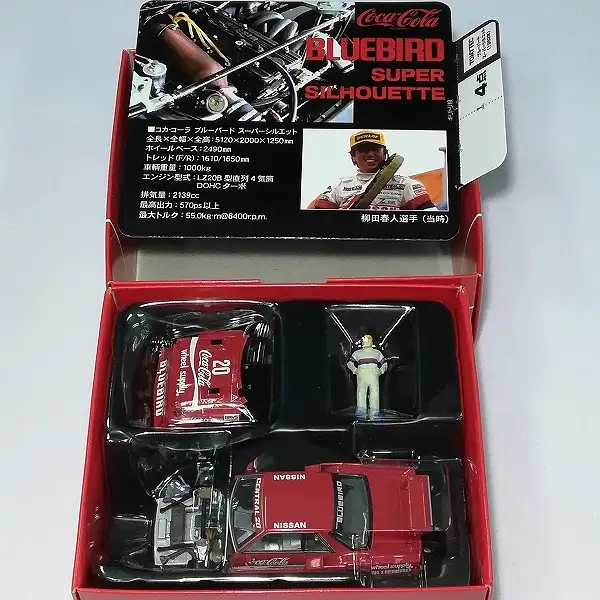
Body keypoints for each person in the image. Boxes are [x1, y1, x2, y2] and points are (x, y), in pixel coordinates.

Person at [309, 130, 438, 210]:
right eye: (364, 149)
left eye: (376, 149)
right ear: (353, 156)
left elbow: (432, 219)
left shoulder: (407, 184)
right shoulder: (338, 187)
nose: (370, 154)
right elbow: (316, 221)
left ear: (385, 153)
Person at [346, 334, 388, 420]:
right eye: (365, 340)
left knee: (374, 394)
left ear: (371, 342)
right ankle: (361, 413)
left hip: (373, 375)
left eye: (368, 340)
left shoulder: (377, 353)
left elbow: (385, 364)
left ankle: (374, 413)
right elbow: (349, 363)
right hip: (362, 375)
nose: (367, 342)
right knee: (361, 393)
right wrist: (355, 370)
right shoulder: (357, 353)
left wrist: (381, 370)